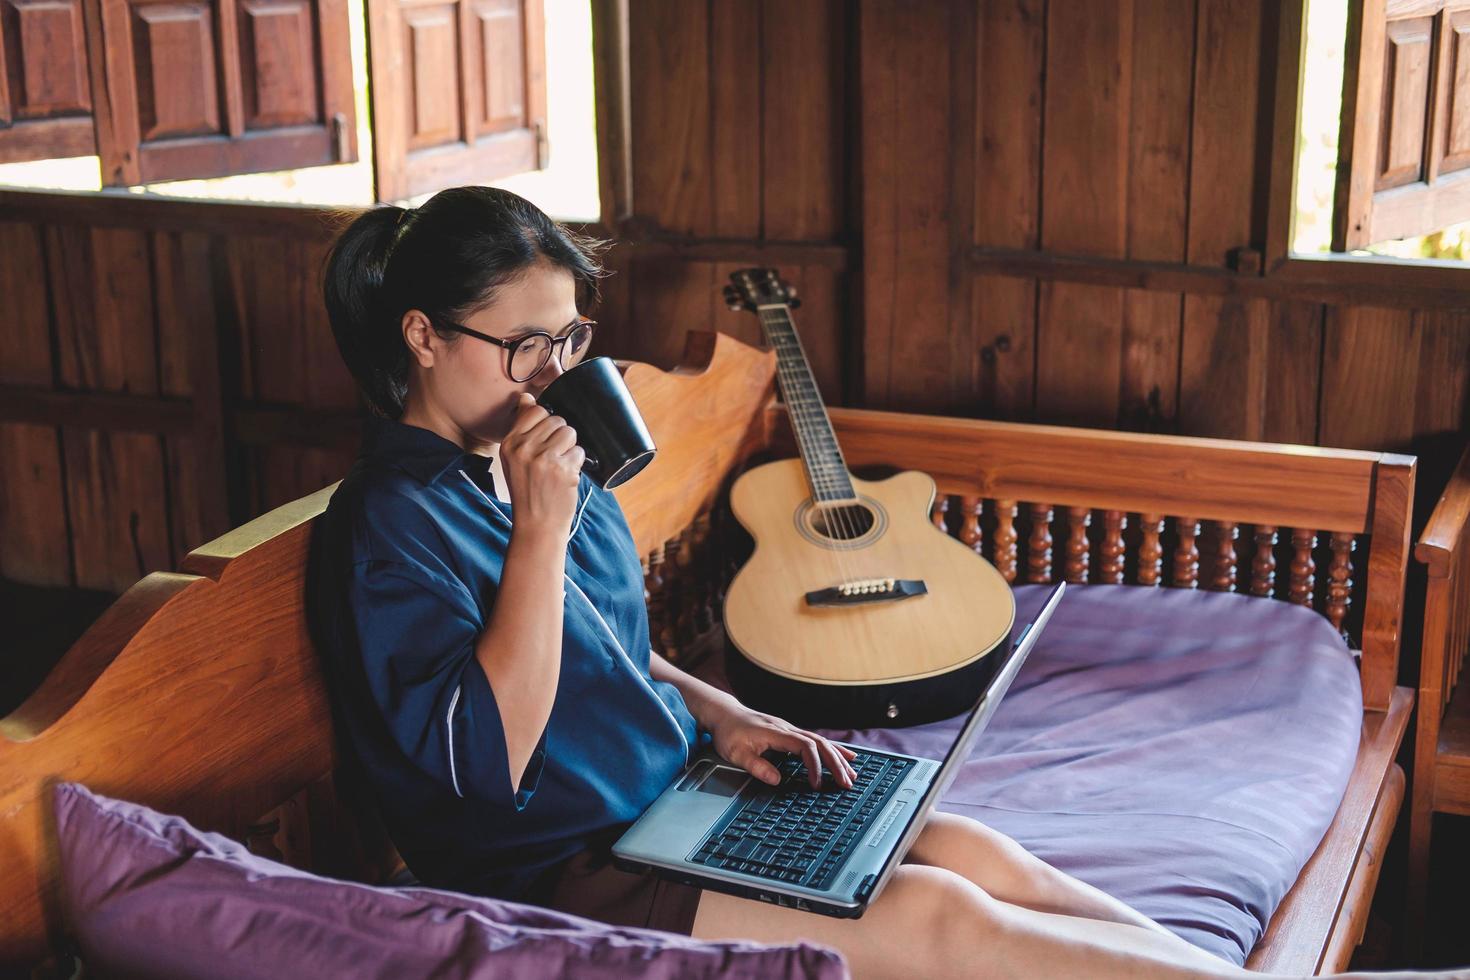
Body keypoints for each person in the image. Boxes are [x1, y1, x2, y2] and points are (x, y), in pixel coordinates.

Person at [307, 185, 1458, 980]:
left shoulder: (532, 458)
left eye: (572, 340)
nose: (558, 373)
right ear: (421, 334)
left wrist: (726, 707)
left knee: (968, 846)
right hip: (567, 872)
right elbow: (489, 757)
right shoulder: (391, 523)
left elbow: (600, 642)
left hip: (675, 799)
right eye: (527, 347)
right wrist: (542, 533)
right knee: (935, 913)